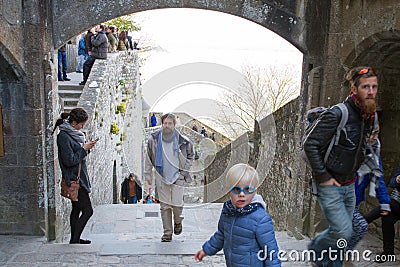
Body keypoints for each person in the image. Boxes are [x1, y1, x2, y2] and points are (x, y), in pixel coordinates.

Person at [303, 66, 378, 266]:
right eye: (365, 87)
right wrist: (323, 176)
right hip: (329, 183)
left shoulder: (368, 117)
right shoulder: (337, 113)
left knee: (346, 233)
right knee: (343, 231)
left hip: (349, 183)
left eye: (374, 87)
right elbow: (310, 144)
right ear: (353, 89)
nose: (370, 92)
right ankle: (317, 249)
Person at [194, 163, 281, 266]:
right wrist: (206, 250)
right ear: (228, 191)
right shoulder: (228, 211)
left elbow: (271, 251)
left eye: (247, 189)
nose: (241, 194)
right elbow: (221, 235)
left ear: (255, 191)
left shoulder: (260, 218)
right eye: (236, 189)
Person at [144, 113, 194, 242]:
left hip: (178, 176)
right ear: (162, 124)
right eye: (165, 123)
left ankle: (178, 221)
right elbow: (149, 158)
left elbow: (191, 155)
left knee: (177, 205)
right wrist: (148, 174)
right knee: (165, 206)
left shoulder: (183, 140)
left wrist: (185, 170)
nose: (167, 126)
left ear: (174, 125)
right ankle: (167, 233)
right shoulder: (154, 139)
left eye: (170, 123)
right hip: (161, 176)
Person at [52, 108, 97, 244]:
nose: (82, 127)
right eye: (81, 124)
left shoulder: (73, 134)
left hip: (78, 177)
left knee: (76, 209)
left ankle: (75, 238)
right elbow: (69, 160)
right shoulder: (64, 137)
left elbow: (77, 155)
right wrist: (84, 149)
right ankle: (75, 239)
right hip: (74, 179)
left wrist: (86, 148)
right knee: (88, 210)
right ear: (74, 123)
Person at [346, 124, 390, 251]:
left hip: (356, 199)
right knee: (360, 226)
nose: (374, 137)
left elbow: (378, 177)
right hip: (341, 195)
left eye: (377, 134)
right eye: (372, 133)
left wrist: (384, 202)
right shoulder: (350, 146)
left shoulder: (373, 152)